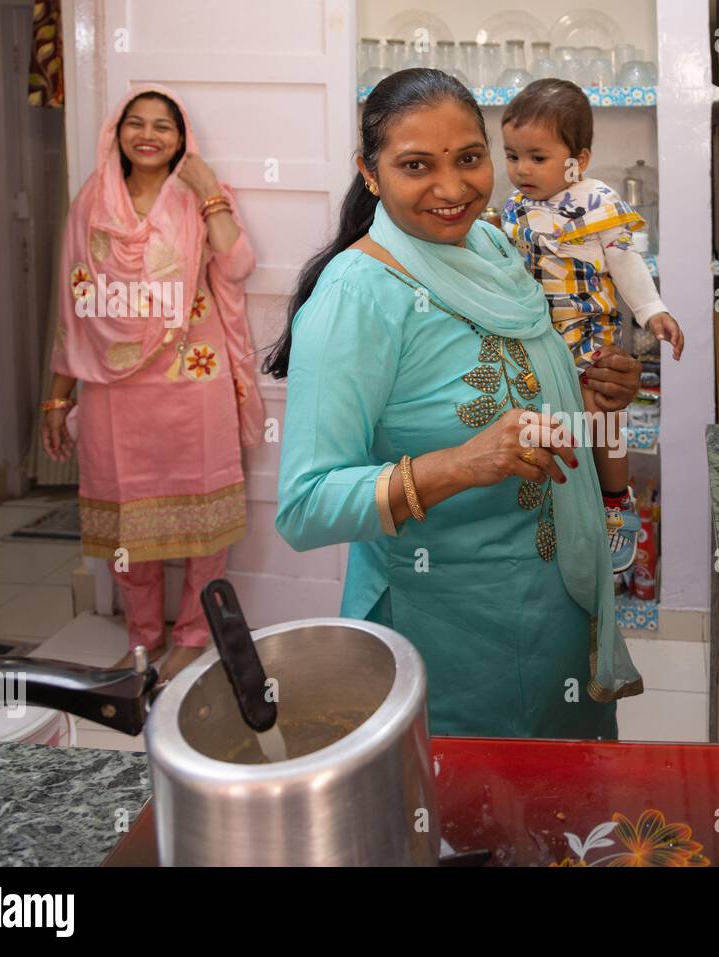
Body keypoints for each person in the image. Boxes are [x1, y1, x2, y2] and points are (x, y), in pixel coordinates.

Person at [267, 68, 645, 739]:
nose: (452, 188)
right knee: (466, 827)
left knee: (561, 826)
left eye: (470, 159)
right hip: (447, 636)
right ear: (371, 172)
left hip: (551, 609)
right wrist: (461, 464)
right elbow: (305, 504)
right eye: (417, 165)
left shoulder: (490, 246)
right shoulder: (359, 293)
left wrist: (586, 396)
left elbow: (516, 395)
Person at [45, 84, 265, 684]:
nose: (147, 135)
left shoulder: (197, 196)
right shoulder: (93, 200)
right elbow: (76, 306)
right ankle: (142, 638)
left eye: (162, 125)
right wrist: (57, 393)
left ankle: (194, 636)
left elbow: (237, 263)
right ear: (115, 133)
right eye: (134, 123)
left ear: (181, 137)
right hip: (114, 388)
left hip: (194, 376)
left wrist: (209, 190)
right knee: (126, 518)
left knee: (203, 517)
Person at [499, 78, 684, 572]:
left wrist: (653, 311)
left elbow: (624, 263)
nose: (520, 169)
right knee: (547, 426)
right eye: (512, 155)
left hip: (588, 332)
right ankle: (556, 516)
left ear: (577, 159)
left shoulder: (596, 202)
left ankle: (615, 499)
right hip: (536, 335)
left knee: (601, 415)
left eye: (536, 157)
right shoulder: (516, 209)